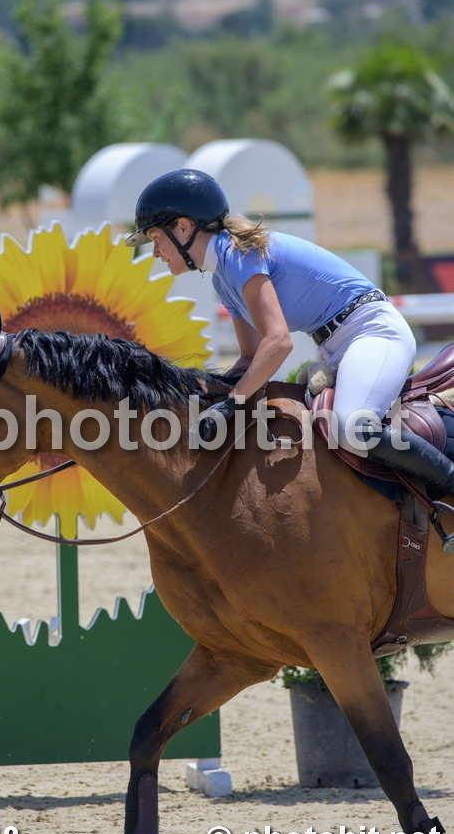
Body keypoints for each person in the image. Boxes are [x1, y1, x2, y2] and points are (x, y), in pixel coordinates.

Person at [127, 168, 454, 549]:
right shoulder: (222, 277)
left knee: (351, 426)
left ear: (183, 228)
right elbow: (251, 357)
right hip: (338, 346)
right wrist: (210, 397)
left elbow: (278, 342)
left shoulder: (237, 256)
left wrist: (232, 404)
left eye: (155, 238)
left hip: (374, 333)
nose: (155, 252)